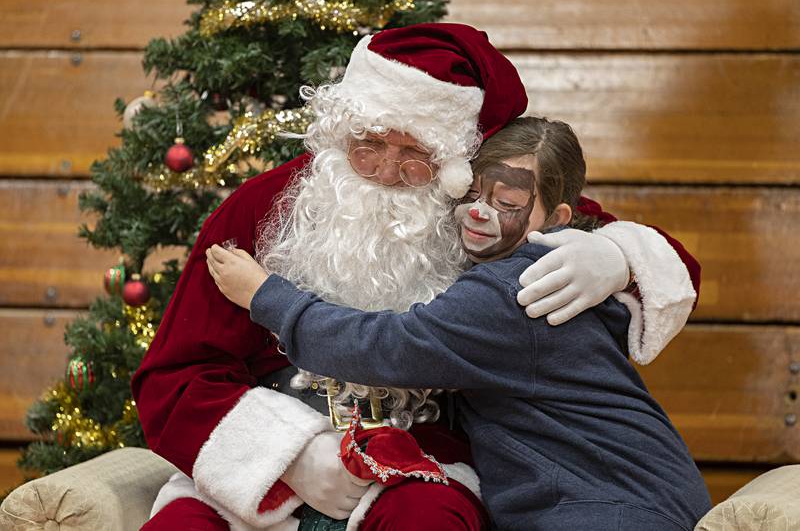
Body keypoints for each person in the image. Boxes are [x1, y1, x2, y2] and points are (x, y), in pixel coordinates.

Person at [134, 23, 700, 530]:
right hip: (265, 446)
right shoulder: (263, 206)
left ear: (457, 160)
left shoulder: (481, 213)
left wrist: (616, 256)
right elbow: (176, 373)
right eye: (369, 142)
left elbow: (664, 262)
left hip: (421, 452)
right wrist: (290, 457)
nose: (385, 169)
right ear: (341, 129)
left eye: (415, 153)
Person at [207, 116, 712, 530]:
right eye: (470, 192)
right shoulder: (543, 261)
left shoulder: (511, 289)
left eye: (508, 205)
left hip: (609, 504)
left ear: (557, 219)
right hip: (615, 494)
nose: (479, 214)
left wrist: (268, 297)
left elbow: (389, 348)